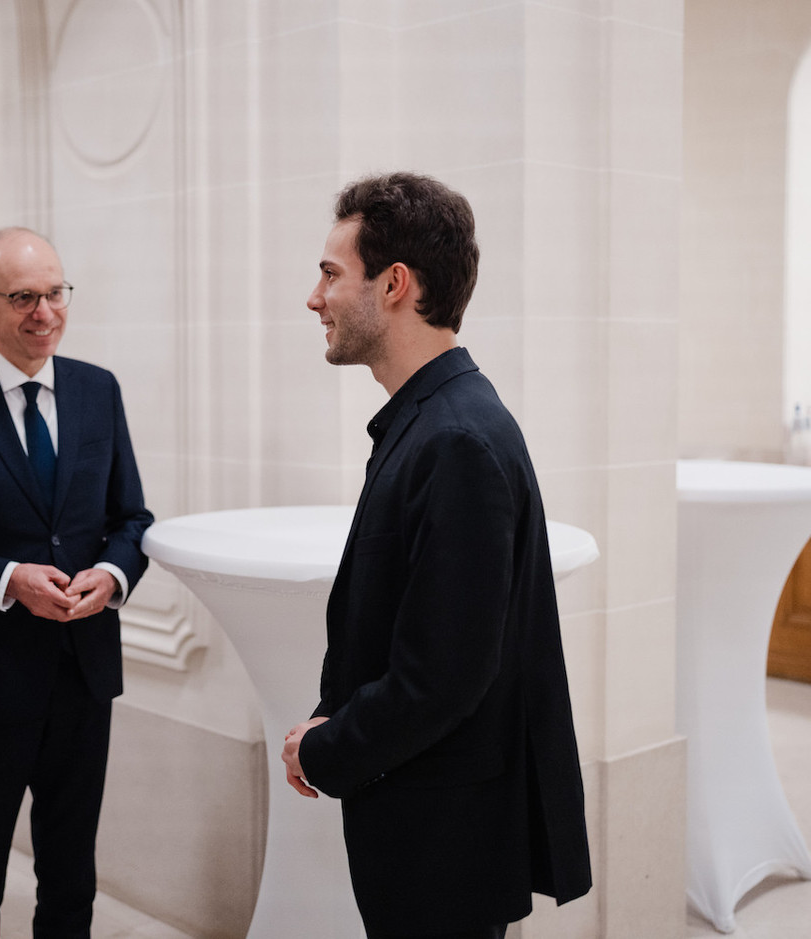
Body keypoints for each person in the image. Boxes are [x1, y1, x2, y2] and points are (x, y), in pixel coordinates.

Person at [279, 173, 592, 939]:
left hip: (442, 834)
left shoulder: (454, 438)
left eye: (329, 273)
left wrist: (325, 747)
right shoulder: (432, 420)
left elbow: (443, 676)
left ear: (394, 284)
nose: (313, 298)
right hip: (425, 814)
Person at [0, 226, 153, 938]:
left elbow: (132, 516)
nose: (44, 313)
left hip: (84, 672)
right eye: (23, 298)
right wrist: (10, 578)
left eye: (54, 294)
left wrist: (111, 573)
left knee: (71, 871)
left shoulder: (98, 390)